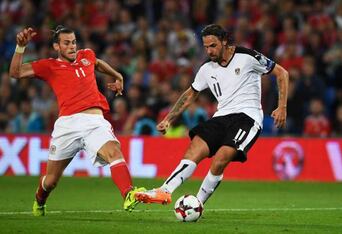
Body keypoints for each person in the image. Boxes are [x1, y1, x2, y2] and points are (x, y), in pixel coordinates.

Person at [135, 24, 289, 206]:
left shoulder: (247, 57)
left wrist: (282, 107)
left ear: (224, 41)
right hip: (221, 116)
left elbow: (282, 73)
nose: (209, 50)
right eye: (206, 46)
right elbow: (190, 94)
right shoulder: (206, 68)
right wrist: (169, 119)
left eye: (213, 46)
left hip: (247, 117)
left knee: (220, 159)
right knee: (194, 149)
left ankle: (197, 204)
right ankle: (164, 191)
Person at [9, 26, 145, 216]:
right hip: (67, 125)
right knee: (51, 181)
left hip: (95, 121)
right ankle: (40, 200)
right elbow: (16, 73)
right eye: (66, 43)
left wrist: (117, 75)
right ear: (56, 46)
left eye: (73, 42)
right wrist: (20, 48)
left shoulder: (86, 55)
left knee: (114, 151)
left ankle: (129, 194)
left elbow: (97, 63)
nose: (72, 46)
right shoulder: (49, 66)